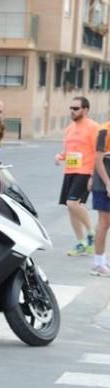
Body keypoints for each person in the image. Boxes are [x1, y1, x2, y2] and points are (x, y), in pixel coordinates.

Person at [56, 96, 98, 256]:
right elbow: (69, 152)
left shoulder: (93, 127)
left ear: (85, 110)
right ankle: (82, 243)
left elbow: (97, 152)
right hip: (70, 171)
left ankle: (90, 233)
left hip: (85, 171)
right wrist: (60, 156)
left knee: (72, 203)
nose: (72, 111)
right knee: (70, 208)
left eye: (76, 108)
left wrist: (94, 176)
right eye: (70, 108)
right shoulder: (69, 129)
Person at [91, 121, 110, 276]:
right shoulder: (104, 130)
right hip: (103, 184)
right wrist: (108, 183)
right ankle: (98, 264)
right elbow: (98, 159)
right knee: (104, 222)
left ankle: (102, 260)